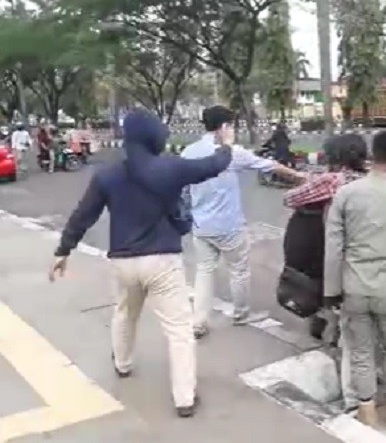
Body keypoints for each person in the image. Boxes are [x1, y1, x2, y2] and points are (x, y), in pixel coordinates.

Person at [48, 109, 234, 417]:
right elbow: (213, 165)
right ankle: (184, 398)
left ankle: (122, 364)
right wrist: (225, 144)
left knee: (124, 313)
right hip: (163, 262)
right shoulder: (170, 168)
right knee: (178, 329)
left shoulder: (107, 175)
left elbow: (83, 215)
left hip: (123, 262)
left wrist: (63, 250)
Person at [324, 130, 386, 429]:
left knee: (360, 350)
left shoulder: (345, 194)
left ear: (371, 155)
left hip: (354, 286)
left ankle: (366, 411)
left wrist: (332, 291)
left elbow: (333, 248)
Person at [182, 106, 305, 339]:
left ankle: (199, 322)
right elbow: (271, 166)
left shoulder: (189, 152)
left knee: (204, 271)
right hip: (228, 226)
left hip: (200, 225)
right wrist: (302, 177)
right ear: (224, 127)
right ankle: (241, 314)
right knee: (238, 270)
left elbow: (184, 189)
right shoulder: (232, 153)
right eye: (232, 126)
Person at [282, 133, 369, 412]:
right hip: (368, 255)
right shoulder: (373, 180)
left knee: (335, 303)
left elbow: (290, 198)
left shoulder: (333, 181)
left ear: (334, 156)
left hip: (336, 250)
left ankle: (351, 391)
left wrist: (309, 183)